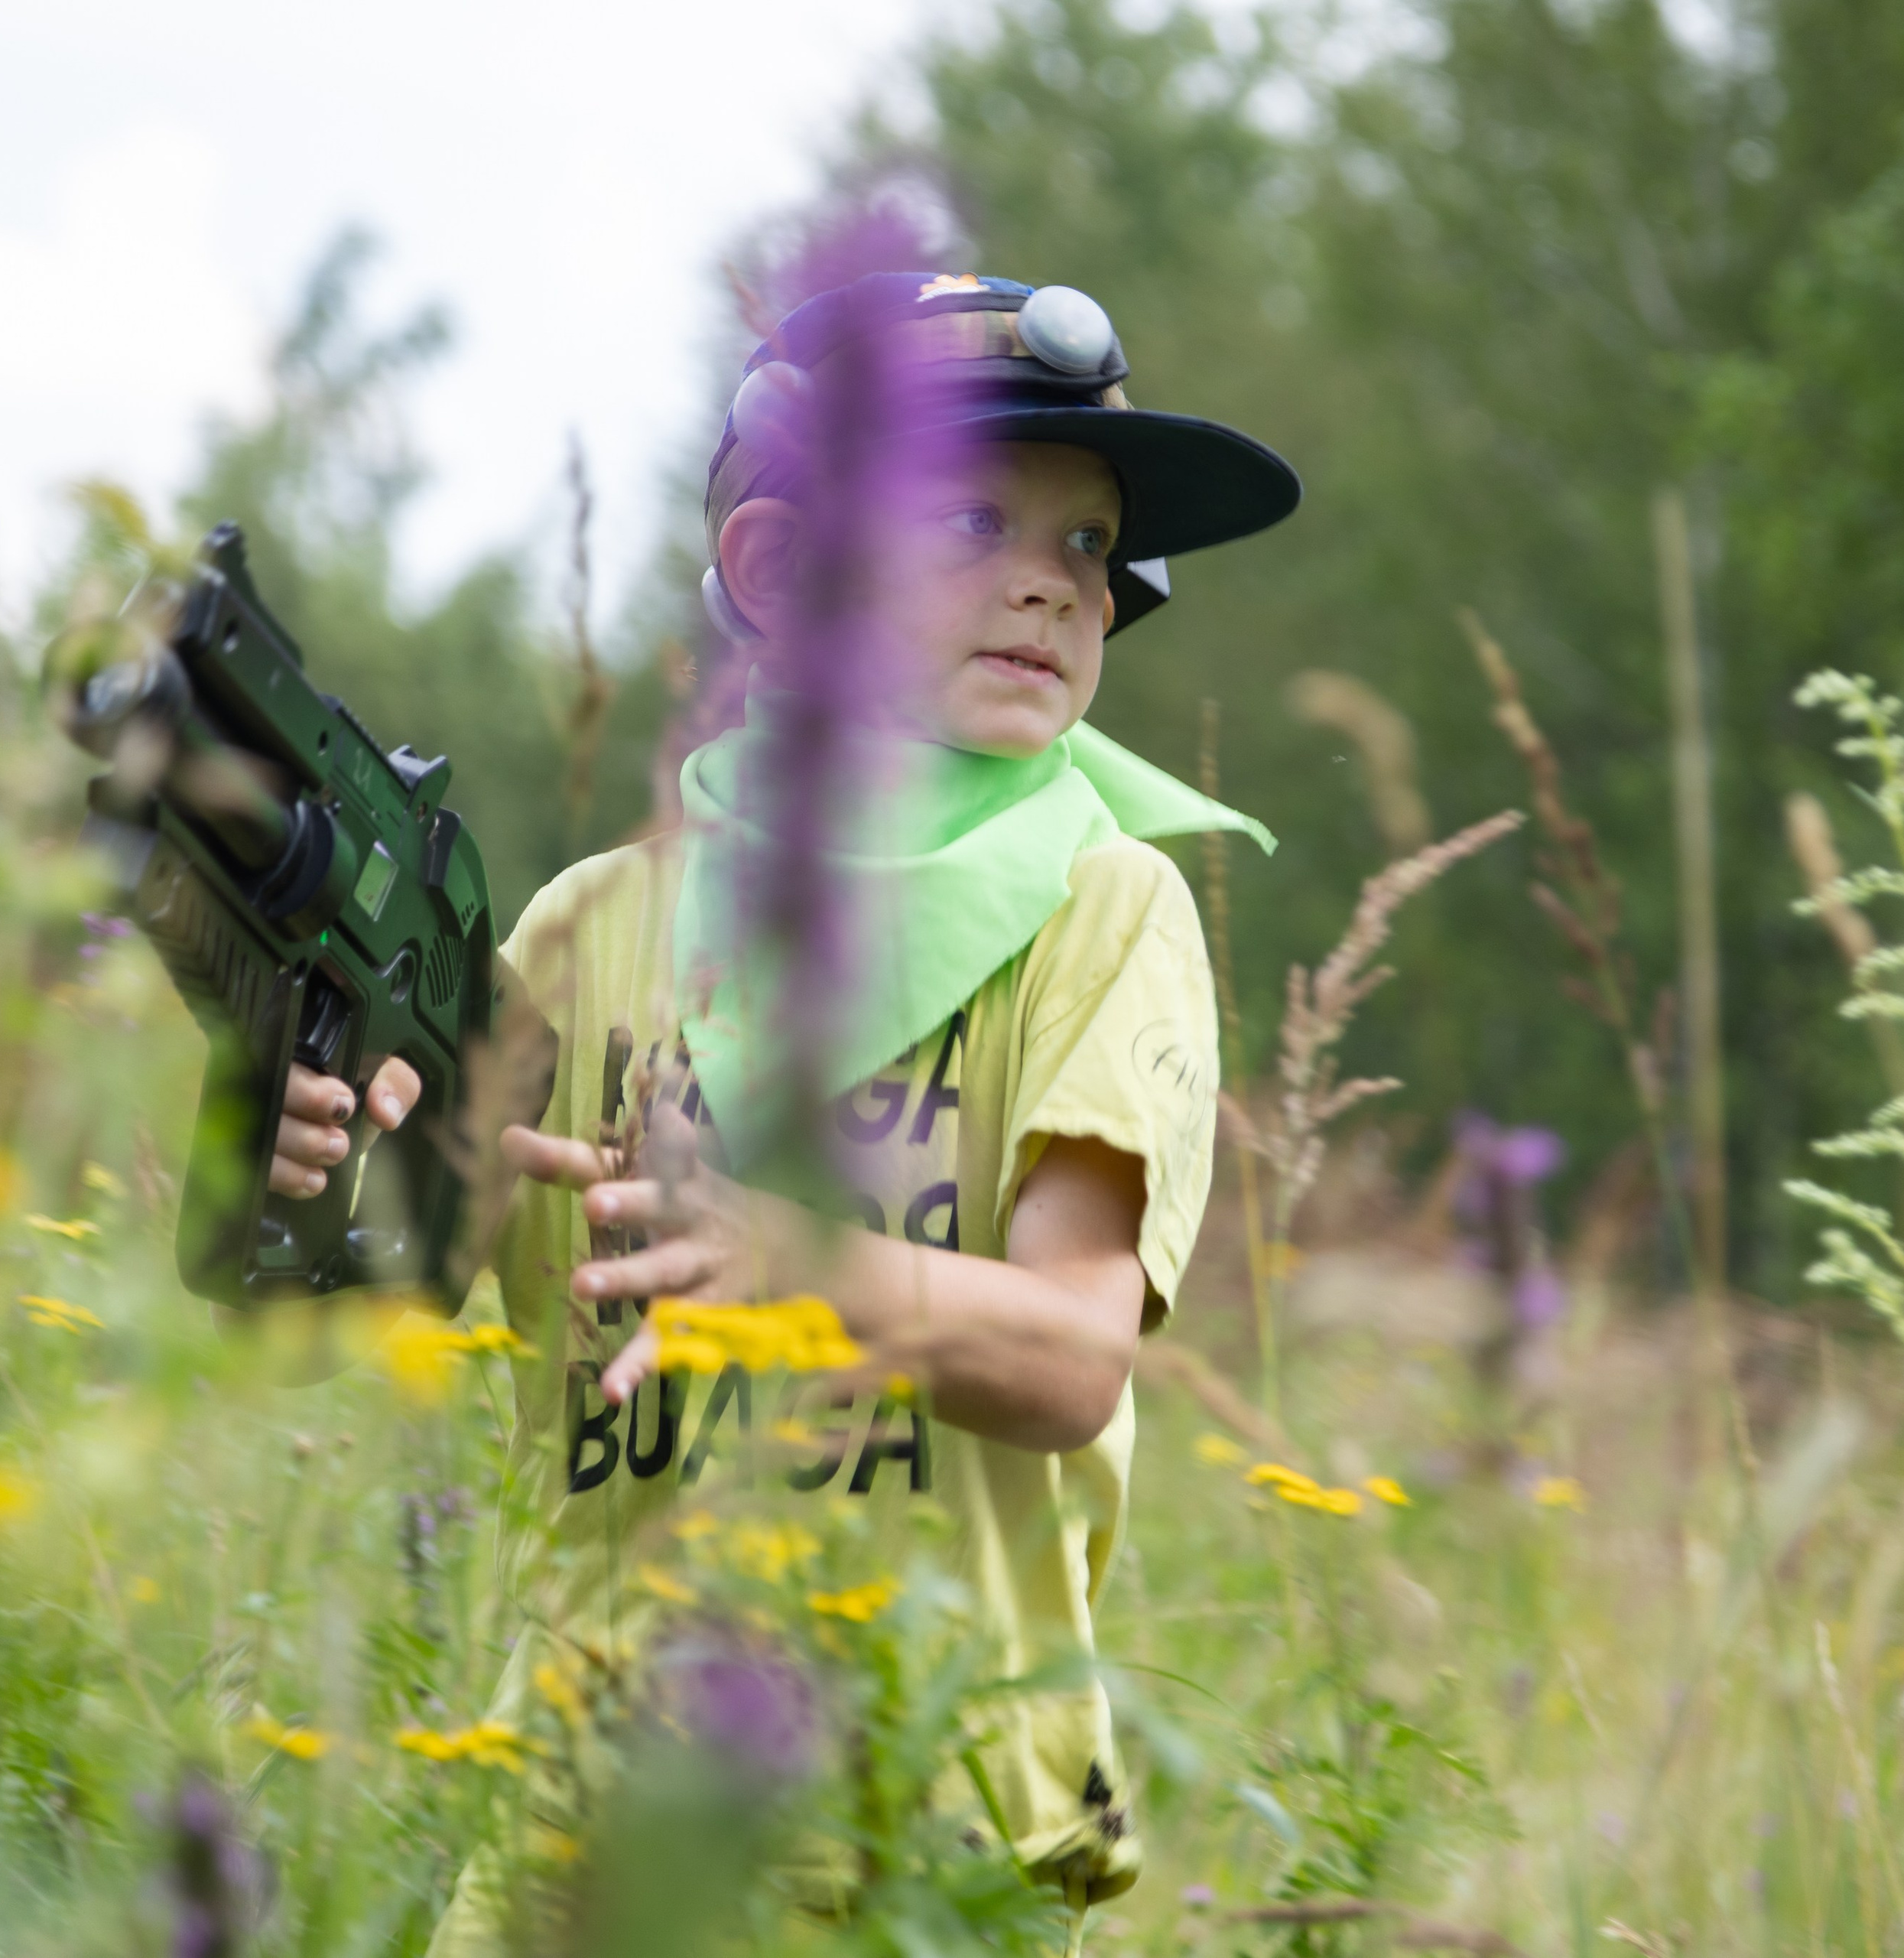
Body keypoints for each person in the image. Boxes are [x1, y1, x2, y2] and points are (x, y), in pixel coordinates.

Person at [271, 271, 1298, 1942]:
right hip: (575, 1827)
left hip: (919, 1833)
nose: (1050, 581)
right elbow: (368, 1296)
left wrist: (783, 1267)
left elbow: (1063, 1355)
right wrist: (306, 1151)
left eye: (1090, 546)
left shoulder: (1103, 914)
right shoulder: (590, 930)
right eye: (974, 513)